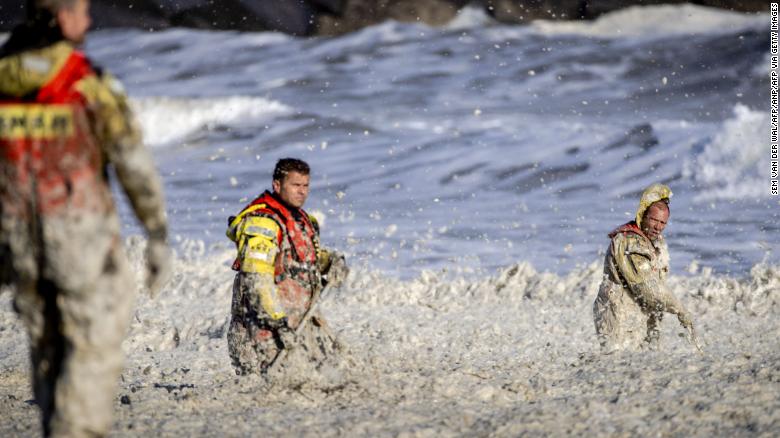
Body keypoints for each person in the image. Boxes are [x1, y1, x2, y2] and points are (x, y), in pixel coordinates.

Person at [0, 0, 171, 436]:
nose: (88, 20)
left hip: (17, 240)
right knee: (93, 345)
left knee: (47, 346)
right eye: (80, 10)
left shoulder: (3, 77)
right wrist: (155, 231)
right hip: (79, 237)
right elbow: (132, 161)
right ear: (60, 17)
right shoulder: (84, 82)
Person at [226, 158, 349, 376]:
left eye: (305, 185)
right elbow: (257, 281)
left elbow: (305, 258)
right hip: (265, 328)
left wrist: (330, 263)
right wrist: (277, 323)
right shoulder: (262, 223)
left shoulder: (302, 220)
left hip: (299, 321)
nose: (302, 192)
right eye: (295, 185)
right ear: (277, 185)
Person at [593, 183, 696, 352]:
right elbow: (648, 287)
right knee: (618, 363)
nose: (658, 226)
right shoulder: (629, 242)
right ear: (643, 215)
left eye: (663, 222)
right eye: (654, 220)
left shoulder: (654, 242)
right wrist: (679, 309)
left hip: (639, 313)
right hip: (617, 313)